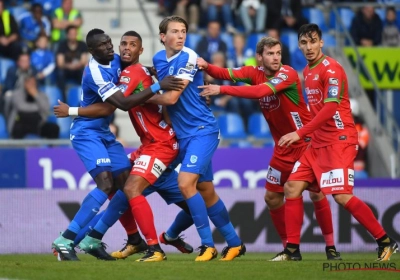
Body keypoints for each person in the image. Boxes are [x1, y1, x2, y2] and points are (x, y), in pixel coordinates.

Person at [197, 36, 341, 261]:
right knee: (272, 198)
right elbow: (225, 72)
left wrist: (221, 90)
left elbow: (259, 92)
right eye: (271, 54)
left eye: (278, 53)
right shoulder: (253, 72)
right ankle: (289, 250)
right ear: (259, 58)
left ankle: (331, 248)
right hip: (283, 148)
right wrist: (207, 66)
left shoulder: (288, 74)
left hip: (304, 143)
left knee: (316, 194)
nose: (276, 58)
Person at [54, 30, 192, 262]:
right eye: (104, 45)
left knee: (124, 183)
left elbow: (136, 67)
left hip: (104, 134)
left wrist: (150, 70)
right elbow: (116, 106)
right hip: (86, 133)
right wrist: (71, 111)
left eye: (110, 42)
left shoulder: (116, 60)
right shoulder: (95, 72)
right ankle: (65, 240)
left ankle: (125, 239)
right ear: (91, 51)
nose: (111, 48)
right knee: (106, 184)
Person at [274, 23, 398, 261]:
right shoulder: (307, 71)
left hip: (339, 140)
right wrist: (306, 133)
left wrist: (299, 134)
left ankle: (385, 241)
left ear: (321, 42)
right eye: (304, 43)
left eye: (313, 41)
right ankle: (292, 250)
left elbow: (330, 108)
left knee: (341, 196)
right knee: (292, 187)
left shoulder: (332, 69)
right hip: (317, 142)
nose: (309, 47)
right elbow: (316, 109)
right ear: (299, 45)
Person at [148, 15, 245, 262]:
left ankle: (207, 246)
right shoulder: (158, 59)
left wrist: (138, 98)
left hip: (203, 130)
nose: (181, 35)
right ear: (163, 37)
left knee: (184, 183)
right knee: (206, 190)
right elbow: (165, 89)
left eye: (184, 31)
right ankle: (234, 243)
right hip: (183, 136)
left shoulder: (188, 57)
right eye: (175, 31)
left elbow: (170, 98)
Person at [7, 74, 59, 139]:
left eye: (33, 82)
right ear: (24, 83)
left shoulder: (42, 95)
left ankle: (52, 148)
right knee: (18, 128)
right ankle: (17, 148)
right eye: (29, 82)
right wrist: (38, 107)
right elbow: (21, 107)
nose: (31, 85)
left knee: (53, 128)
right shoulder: (17, 94)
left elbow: (46, 109)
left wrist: (35, 95)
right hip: (21, 123)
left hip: (37, 124)